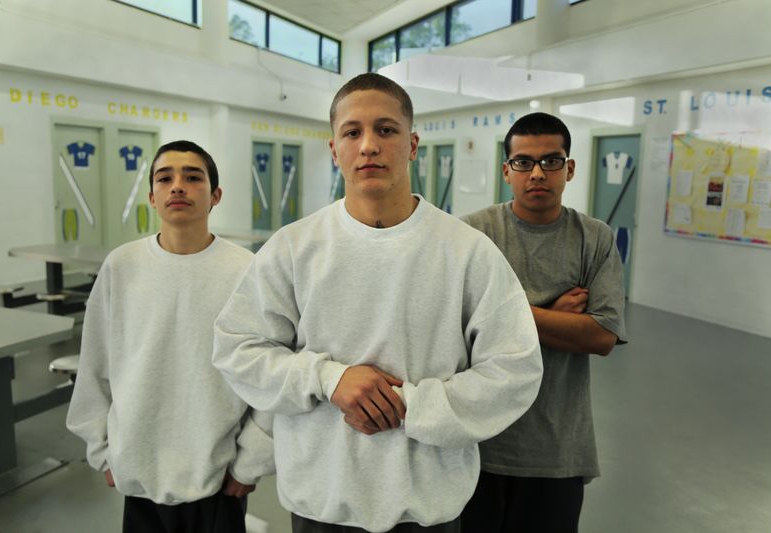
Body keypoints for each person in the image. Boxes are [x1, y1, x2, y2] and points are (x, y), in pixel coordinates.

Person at [212, 73, 543, 533]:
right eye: (352, 132)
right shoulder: (293, 248)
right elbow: (237, 348)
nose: (368, 145)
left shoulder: (467, 251)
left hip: (428, 506)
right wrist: (329, 379)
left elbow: (515, 369)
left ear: (411, 144)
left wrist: (406, 406)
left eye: (386, 130)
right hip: (321, 503)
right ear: (334, 149)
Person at [67, 140, 273, 533]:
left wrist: (252, 460)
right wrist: (103, 451)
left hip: (218, 475)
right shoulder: (122, 266)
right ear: (152, 196)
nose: (177, 186)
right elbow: (94, 363)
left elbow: (267, 372)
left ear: (215, 195)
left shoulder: (248, 271)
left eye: (192, 177)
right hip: (139, 470)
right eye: (165, 178)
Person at [460, 112, 628, 533]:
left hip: (556, 451)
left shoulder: (595, 239)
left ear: (569, 168)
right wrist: (554, 316)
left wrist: (502, 314)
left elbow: (602, 335)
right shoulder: (474, 234)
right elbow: (452, 325)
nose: (537, 173)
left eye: (551, 161)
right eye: (523, 162)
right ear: (507, 170)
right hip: (475, 442)